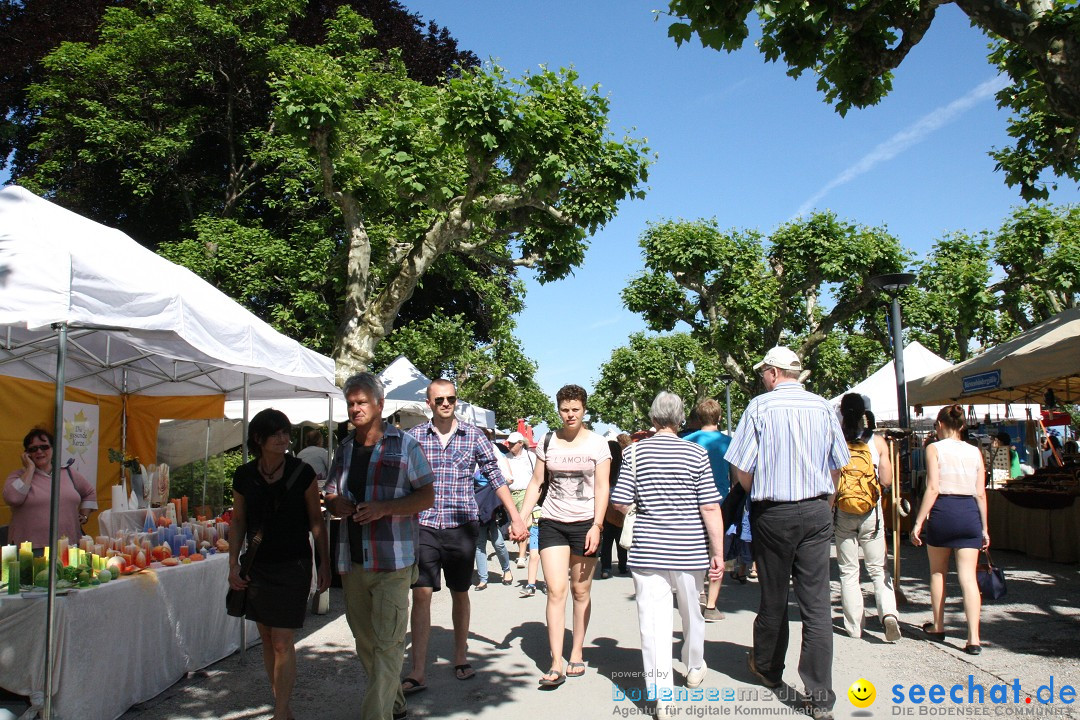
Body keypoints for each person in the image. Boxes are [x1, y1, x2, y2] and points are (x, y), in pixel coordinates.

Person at [725, 347, 849, 720]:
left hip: (773, 512)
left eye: (764, 371)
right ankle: (819, 694)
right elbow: (838, 466)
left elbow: (742, 470)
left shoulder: (760, 408)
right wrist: (824, 505)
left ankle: (767, 665)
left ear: (775, 373)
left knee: (774, 595)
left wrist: (757, 490)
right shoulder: (825, 408)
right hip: (816, 508)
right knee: (816, 604)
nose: (763, 376)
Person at [323, 372, 436, 720]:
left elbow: (427, 496)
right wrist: (335, 503)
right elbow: (329, 492)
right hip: (353, 562)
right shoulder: (344, 449)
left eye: (361, 403)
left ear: (379, 405)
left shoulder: (405, 445)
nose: (355, 409)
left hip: (392, 562)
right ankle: (395, 701)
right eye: (350, 404)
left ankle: (377, 714)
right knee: (366, 643)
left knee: (388, 645)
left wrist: (384, 508)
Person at [404, 379, 527, 690]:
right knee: (421, 595)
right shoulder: (413, 437)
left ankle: (460, 656)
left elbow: (495, 475)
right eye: (440, 399)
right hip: (424, 526)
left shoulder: (472, 436)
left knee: (461, 592)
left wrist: (515, 517)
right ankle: (418, 670)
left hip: (461, 526)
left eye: (451, 398)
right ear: (428, 403)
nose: (446, 403)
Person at [611, 392, 724, 720]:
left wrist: (642, 505)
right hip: (689, 549)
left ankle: (662, 697)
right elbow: (710, 506)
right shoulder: (697, 452)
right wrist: (717, 552)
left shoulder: (634, 453)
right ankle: (693, 666)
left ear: (652, 418)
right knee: (692, 611)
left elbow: (619, 501)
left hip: (648, 549)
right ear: (679, 419)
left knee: (653, 621)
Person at [228, 409, 330, 720]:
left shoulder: (302, 472)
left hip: (293, 565)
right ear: (258, 438)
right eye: (275, 433)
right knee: (269, 638)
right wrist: (233, 564)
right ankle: (279, 701)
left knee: (284, 641)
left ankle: (282, 711)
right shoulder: (244, 475)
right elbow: (239, 521)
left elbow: (316, 520)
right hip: (258, 566)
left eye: (285, 432)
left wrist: (323, 564)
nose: (283, 438)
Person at [518, 384, 611, 687]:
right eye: (565, 410)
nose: (570, 415)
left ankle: (577, 651)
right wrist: (520, 518)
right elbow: (536, 483)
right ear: (558, 410)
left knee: (580, 591)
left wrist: (597, 525)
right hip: (553, 522)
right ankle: (556, 661)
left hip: (585, 524)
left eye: (575, 409)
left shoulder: (598, 444)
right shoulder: (548, 441)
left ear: (585, 410)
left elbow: (601, 488)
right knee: (556, 590)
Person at [910, 404, 989, 656]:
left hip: (944, 510)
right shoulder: (975, 452)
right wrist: (985, 528)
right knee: (968, 577)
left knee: (938, 572)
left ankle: (938, 625)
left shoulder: (933, 448)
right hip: (969, 513)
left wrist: (918, 522)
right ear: (963, 426)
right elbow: (980, 493)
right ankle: (974, 638)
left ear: (941, 425)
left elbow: (932, 487)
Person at [833, 394, 900, 642]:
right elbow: (887, 481)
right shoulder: (877, 442)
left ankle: (853, 627)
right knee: (878, 568)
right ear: (864, 412)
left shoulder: (837, 441)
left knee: (849, 571)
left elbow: (833, 480)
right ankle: (889, 614)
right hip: (871, 511)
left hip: (844, 511)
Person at [4, 428, 97, 547]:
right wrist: (30, 469)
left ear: (53, 448)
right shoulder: (19, 476)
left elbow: (89, 492)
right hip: (30, 548)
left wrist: (84, 515)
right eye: (33, 449)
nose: (39, 451)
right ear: (27, 454)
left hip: (68, 545)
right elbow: (13, 498)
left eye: (44, 447)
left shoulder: (68, 473)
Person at [683, 398, 732, 621]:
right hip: (720, 502)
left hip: (691, 503)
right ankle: (711, 604)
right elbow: (737, 476)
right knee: (716, 551)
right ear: (719, 418)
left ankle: (698, 592)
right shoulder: (728, 442)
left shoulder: (686, 442)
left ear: (697, 418)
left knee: (695, 550)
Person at [473, 433, 515, 589]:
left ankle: (507, 570)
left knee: (498, 543)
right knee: (479, 544)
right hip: (477, 506)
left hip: (493, 507)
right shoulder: (470, 455)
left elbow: (509, 478)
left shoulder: (495, 452)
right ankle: (483, 579)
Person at [599, 435, 629, 579]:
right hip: (621, 504)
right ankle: (623, 565)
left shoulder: (604, 466)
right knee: (620, 537)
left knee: (607, 539)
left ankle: (606, 567)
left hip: (606, 506)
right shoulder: (624, 466)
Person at [505, 431, 537, 568]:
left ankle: (522, 555)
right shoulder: (506, 457)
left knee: (522, 522)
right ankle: (521, 549)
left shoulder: (531, 457)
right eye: (509, 443)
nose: (510, 445)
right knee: (516, 522)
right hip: (511, 494)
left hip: (526, 493)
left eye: (513, 443)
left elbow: (537, 477)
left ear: (520, 443)